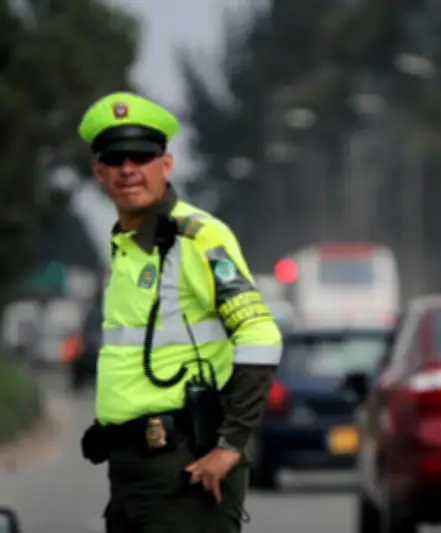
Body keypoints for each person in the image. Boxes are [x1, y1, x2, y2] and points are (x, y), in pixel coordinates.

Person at [76, 92, 283, 533]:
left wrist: (230, 446)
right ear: (98, 171)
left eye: (141, 157)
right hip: (131, 471)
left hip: (185, 469)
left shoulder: (197, 237)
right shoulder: (124, 246)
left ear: (166, 164)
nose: (127, 169)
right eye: (114, 159)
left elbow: (261, 337)